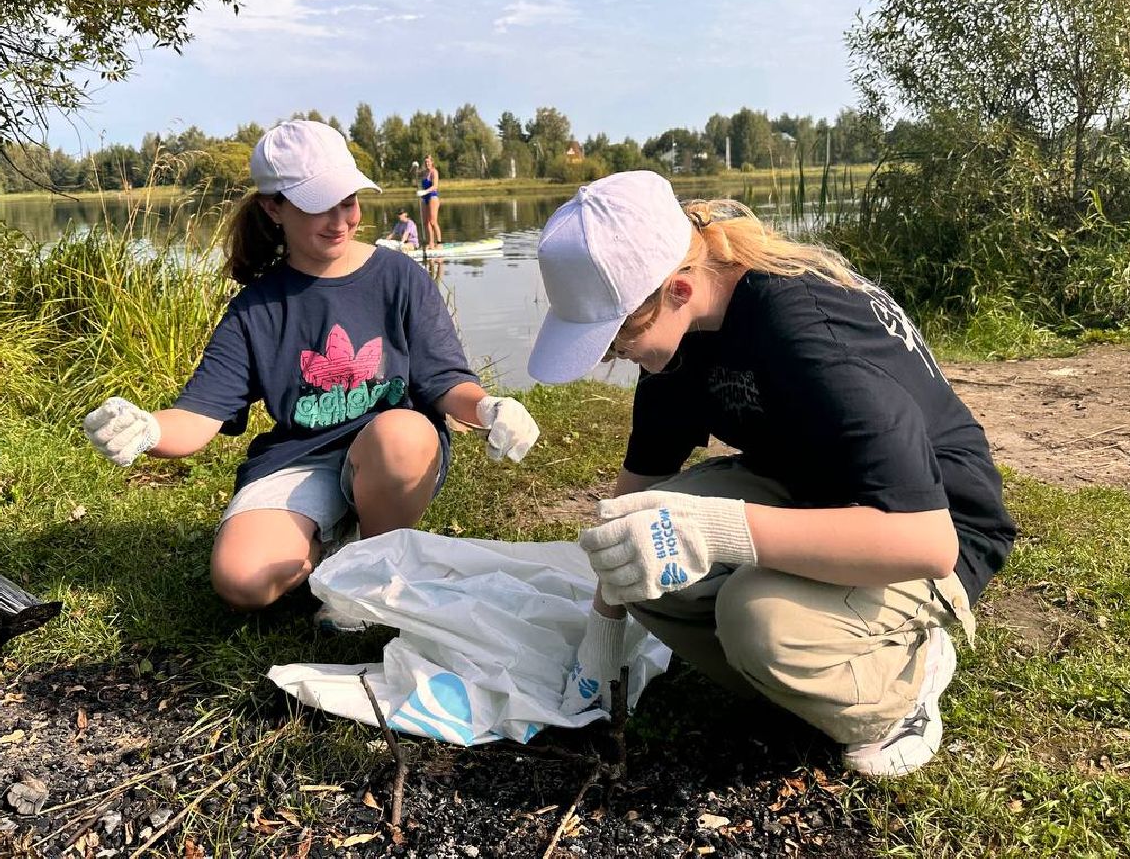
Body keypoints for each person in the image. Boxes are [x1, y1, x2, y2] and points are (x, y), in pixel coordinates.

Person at [530, 171, 1014, 778]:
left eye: (617, 337)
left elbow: (928, 541)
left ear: (679, 289)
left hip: (932, 523)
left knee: (757, 621)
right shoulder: (681, 337)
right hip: (811, 490)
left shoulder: (807, 331)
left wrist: (720, 532)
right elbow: (636, 498)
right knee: (643, 549)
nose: (611, 355)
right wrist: (603, 631)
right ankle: (806, 671)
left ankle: (902, 686)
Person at [82, 119, 540, 622]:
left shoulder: (400, 276)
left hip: (392, 455)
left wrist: (488, 407)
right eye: (318, 205)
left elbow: (446, 381)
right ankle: (336, 539)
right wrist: (147, 429)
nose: (340, 220)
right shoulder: (255, 308)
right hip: (301, 460)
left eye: (348, 201)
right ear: (273, 208)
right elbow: (197, 416)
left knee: (402, 433)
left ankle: (369, 571)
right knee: (242, 581)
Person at [417, 154, 442, 249]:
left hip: (432, 196)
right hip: (425, 198)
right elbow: (413, 174)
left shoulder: (434, 172)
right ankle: (430, 243)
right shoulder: (424, 172)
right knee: (426, 222)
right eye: (425, 162)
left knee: (433, 221)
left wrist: (425, 191)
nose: (427, 163)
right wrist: (414, 167)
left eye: (428, 162)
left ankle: (439, 243)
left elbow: (435, 186)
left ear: (432, 162)